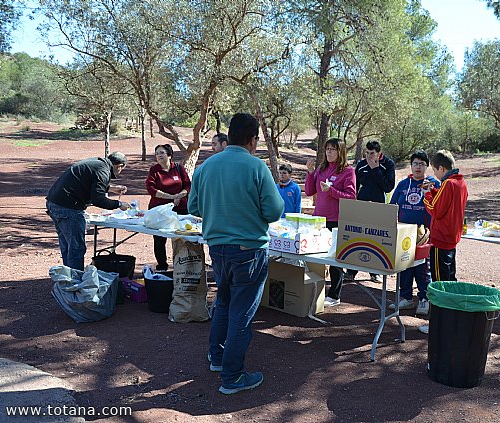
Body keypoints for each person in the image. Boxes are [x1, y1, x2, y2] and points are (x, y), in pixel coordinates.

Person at [188, 113, 283, 395]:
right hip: (249, 250)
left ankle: (217, 358)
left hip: (217, 249)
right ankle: (232, 376)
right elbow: (274, 211)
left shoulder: (206, 166)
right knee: (241, 312)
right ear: (253, 140)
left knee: (224, 303)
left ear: (229, 135)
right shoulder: (256, 167)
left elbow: (194, 207)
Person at [46, 152, 129, 270]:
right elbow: (98, 199)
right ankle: (75, 280)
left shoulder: (97, 163)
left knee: (68, 245)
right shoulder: (103, 170)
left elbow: (88, 181)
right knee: (76, 248)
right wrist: (119, 204)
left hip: (54, 203)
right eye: (121, 169)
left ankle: (68, 277)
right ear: (119, 166)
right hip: (68, 208)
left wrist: (111, 188)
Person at [419, 150, 468, 333]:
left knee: (439, 285)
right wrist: (434, 189)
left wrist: (426, 194)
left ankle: (438, 324)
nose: (434, 174)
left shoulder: (448, 184)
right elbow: (446, 203)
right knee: (449, 280)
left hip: (440, 240)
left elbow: (436, 209)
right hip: (451, 239)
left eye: (434, 170)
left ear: (441, 168)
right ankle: (451, 320)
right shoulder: (460, 183)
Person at [305, 138, 356, 307]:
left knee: (335, 260)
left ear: (340, 152)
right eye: (327, 149)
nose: (329, 152)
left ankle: (334, 295)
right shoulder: (322, 169)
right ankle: (315, 290)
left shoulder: (348, 172)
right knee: (316, 257)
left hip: (336, 220)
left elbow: (351, 197)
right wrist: (310, 173)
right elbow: (309, 191)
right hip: (318, 219)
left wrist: (332, 191)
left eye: (333, 149)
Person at [388, 151, 440, 315]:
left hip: (423, 234)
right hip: (404, 233)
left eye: (422, 164)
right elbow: (392, 205)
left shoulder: (432, 183)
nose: (418, 167)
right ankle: (406, 298)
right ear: (411, 166)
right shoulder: (404, 184)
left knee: (423, 267)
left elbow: (439, 207)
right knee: (404, 265)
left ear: (427, 166)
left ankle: (425, 299)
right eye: (415, 163)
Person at [346, 140, 395, 283]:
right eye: (366, 153)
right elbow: (355, 187)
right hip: (361, 207)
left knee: (376, 241)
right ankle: (351, 271)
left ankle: (375, 273)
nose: (368, 156)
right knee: (357, 238)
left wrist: (376, 169)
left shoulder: (388, 164)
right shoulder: (361, 165)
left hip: (379, 207)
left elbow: (388, 187)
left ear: (379, 153)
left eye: (372, 153)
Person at [145, 144, 191, 271]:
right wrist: (171, 197)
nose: (158, 156)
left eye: (161, 153)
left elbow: (187, 185)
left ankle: (183, 266)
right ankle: (162, 267)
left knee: (182, 237)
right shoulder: (154, 170)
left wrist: (179, 196)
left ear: (169, 155)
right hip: (160, 210)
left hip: (180, 208)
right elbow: (151, 188)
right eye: (156, 154)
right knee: (159, 240)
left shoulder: (178, 168)